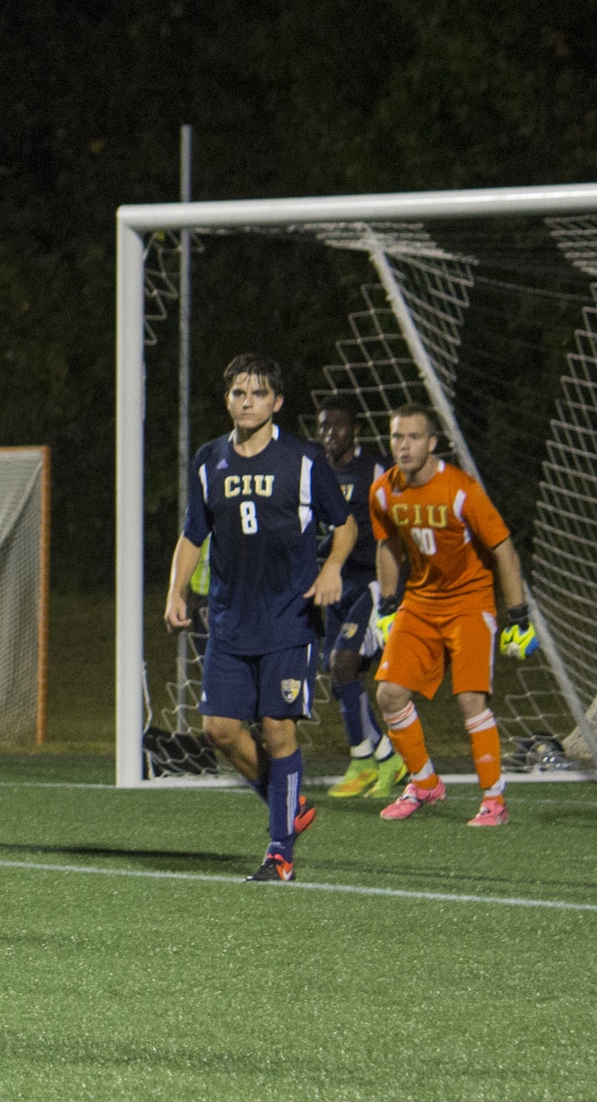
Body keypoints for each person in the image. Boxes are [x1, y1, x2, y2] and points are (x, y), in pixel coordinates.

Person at [163, 354, 353, 882]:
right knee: (219, 729)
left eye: (258, 394)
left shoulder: (304, 459)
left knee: (277, 730)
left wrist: (334, 566)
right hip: (229, 620)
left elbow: (345, 525)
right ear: (227, 399)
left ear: (278, 402)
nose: (247, 403)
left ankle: (279, 852)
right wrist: (176, 590)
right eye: (238, 394)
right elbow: (192, 535)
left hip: (288, 618)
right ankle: (287, 806)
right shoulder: (208, 461)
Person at [368, 405, 536, 827]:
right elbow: (387, 545)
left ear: (432, 443)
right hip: (420, 604)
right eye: (396, 437)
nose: (403, 446)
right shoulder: (384, 491)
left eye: (413, 437)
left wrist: (518, 615)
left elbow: (504, 550)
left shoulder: (462, 490)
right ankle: (424, 784)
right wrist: (388, 603)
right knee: (388, 694)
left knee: (470, 699)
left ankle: (494, 800)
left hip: (469, 603)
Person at [313, 396, 405, 798]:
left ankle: (370, 758)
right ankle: (378, 759)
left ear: (356, 430)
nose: (331, 433)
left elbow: (399, 525)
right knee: (337, 676)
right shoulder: (317, 472)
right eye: (324, 426)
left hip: (372, 582)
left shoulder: (375, 469)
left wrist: (392, 592)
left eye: (339, 425)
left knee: (345, 664)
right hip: (337, 584)